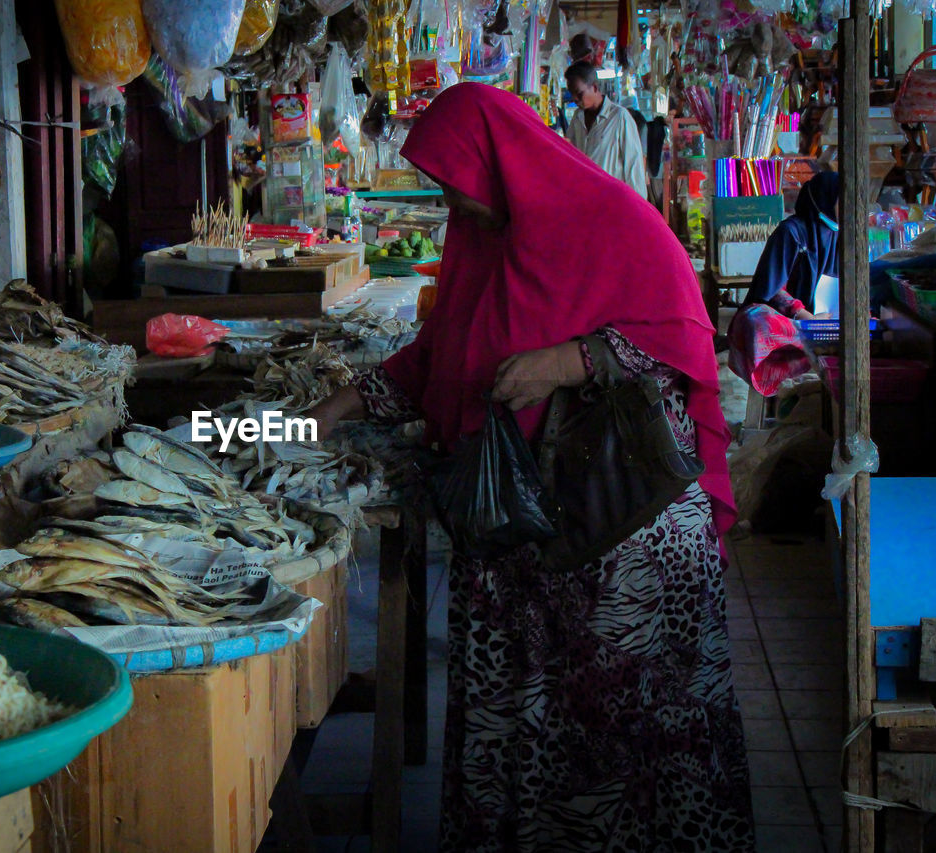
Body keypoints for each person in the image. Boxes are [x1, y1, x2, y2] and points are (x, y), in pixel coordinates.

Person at [309, 83, 754, 852]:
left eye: (456, 179)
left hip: (621, 536)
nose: (452, 197)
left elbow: (681, 333)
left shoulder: (609, 218)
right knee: (531, 732)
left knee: (626, 734)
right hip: (521, 544)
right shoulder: (482, 243)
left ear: (496, 160)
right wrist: (340, 403)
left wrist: (568, 360)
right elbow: (440, 355)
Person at [743, 171, 841, 320]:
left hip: (829, 319)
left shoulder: (842, 234)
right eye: (842, 200)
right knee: (757, 323)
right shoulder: (791, 232)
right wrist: (805, 316)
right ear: (826, 197)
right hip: (788, 318)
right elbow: (772, 288)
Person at [564, 61, 649, 199]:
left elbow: (634, 168)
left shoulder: (620, 117)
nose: (575, 99)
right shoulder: (577, 118)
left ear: (595, 87)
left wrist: (639, 210)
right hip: (585, 200)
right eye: (572, 94)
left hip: (612, 202)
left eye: (579, 93)